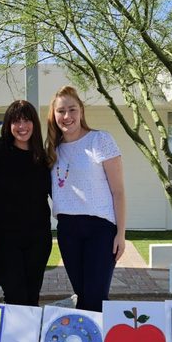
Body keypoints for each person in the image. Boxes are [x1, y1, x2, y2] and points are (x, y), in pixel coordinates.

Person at [46, 85, 126, 312]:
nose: (67, 116)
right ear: (54, 115)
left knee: (96, 297)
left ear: (81, 110)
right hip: (68, 230)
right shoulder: (54, 149)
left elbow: (118, 191)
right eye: (61, 111)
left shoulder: (100, 140)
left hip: (100, 229)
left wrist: (121, 234)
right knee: (82, 296)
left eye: (72, 109)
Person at [0, 100, 52, 306]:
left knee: (32, 297)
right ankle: (15, 338)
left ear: (34, 124)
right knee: (15, 296)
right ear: (8, 125)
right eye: (16, 121)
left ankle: (30, 339)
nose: (22, 126)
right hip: (5, 241)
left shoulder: (44, 158)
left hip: (38, 239)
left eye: (27, 120)